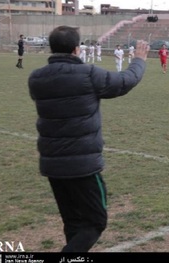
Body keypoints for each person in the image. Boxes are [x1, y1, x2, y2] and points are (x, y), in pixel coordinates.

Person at [28, 25, 149, 252]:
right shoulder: (89, 74)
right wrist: (140, 59)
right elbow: (126, 81)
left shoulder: (36, 78)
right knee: (95, 222)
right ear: (77, 49)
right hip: (82, 166)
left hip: (52, 164)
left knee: (73, 222)